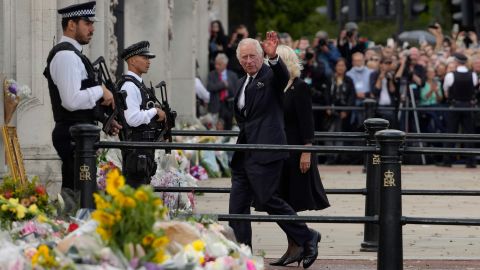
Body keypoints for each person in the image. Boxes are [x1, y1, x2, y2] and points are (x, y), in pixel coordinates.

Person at [229, 32, 320, 269]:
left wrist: (273, 57)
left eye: (253, 56)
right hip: (244, 155)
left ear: (260, 57)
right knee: (237, 208)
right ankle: (244, 255)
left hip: (267, 151)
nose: (249, 61)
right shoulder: (241, 83)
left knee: (269, 199)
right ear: (239, 60)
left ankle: (307, 236)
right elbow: (244, 118)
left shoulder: (270, 76)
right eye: (244, 57)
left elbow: (282, 76)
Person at [44, 1, 120, 193]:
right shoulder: (66, 56)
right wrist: (101, 91)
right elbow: (71, 101)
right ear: (71, 24)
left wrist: (105, 119)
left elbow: (83, 102)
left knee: (81, 196)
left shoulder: (75, 55)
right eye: (87, 23)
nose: (92, 28)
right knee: (78, 199)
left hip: (79, 135)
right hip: (72, 135)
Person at [269, 44, 330, 266]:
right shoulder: (277, 88)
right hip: (279, 151)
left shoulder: (300, 87)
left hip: (296, 152)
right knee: (278, 200)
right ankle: (295, 245)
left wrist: (307, 151)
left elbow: (307, 123)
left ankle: (299, 243)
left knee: (289, 200)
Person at [117, 41, 166, 187]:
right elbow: (132, 119)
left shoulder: (138, 84)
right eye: (144, 57)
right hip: (136, 149)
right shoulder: (130, 86)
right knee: (136, 188)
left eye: (148, 58)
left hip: (143, 147)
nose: (148, 62)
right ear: (132, 60)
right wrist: (155, 111)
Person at [442, 53, 478, 168]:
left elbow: (446, 91)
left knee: (451, 133)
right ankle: (470, 161)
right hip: (468, 106)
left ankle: (447, 161)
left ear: (456, 62)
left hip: (455, 105)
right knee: (469, 133)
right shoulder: (473, 75)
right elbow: (474, 88)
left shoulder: (450, 75)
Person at [206, 53, 239, 130]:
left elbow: (236, 91)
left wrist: (228, 85)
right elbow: (210, 87)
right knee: (215, 128)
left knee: (229, 128)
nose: (216, 66)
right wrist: (223, 84)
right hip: (216, 105)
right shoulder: (211, 74)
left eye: (219, 64)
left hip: (229, 106)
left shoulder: (233, 75)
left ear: (225, 64)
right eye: (216, 64)